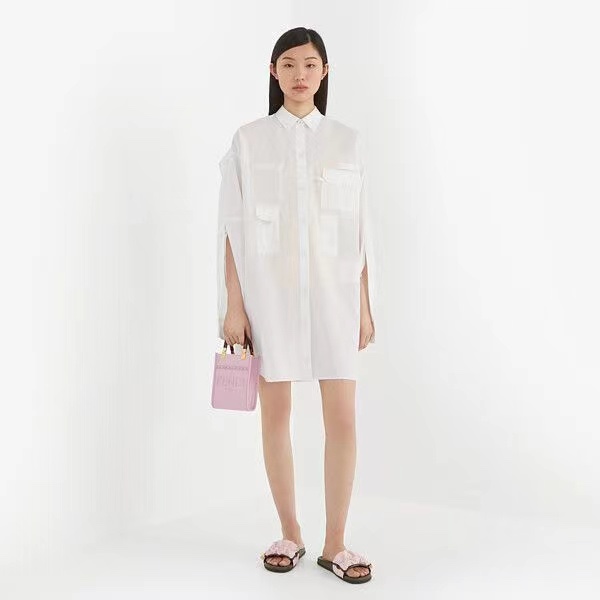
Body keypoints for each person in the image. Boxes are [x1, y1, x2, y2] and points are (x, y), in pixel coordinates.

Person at [216, 27, 377, 584]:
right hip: (271, 298)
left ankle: (336, 543)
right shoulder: (248, 141)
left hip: (335, 299)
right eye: (288, 64)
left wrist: (364, 306)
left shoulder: (348, 142)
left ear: (325, 71)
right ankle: (290, 532)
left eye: (310, 64)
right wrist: (234, 307)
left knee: (343, 418)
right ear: (273, 71)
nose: (300, 74)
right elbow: (232, 228)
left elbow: (361, 233)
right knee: (276, 415)